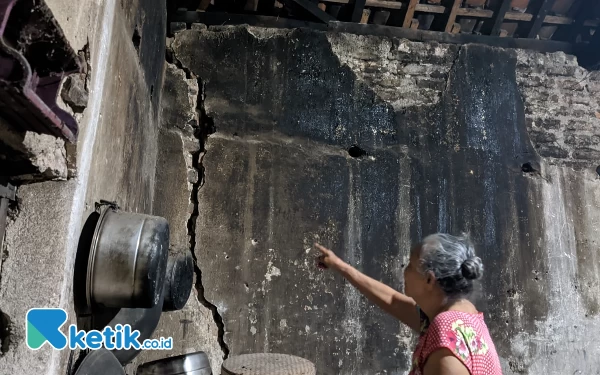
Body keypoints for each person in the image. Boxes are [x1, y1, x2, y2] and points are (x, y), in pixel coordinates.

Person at [315, 233, 502, 375]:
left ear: (429, 280)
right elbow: (393, 301)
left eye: (410, 266)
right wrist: (339, 265)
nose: (405, 271)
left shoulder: (445, 331)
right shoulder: (462, 315)